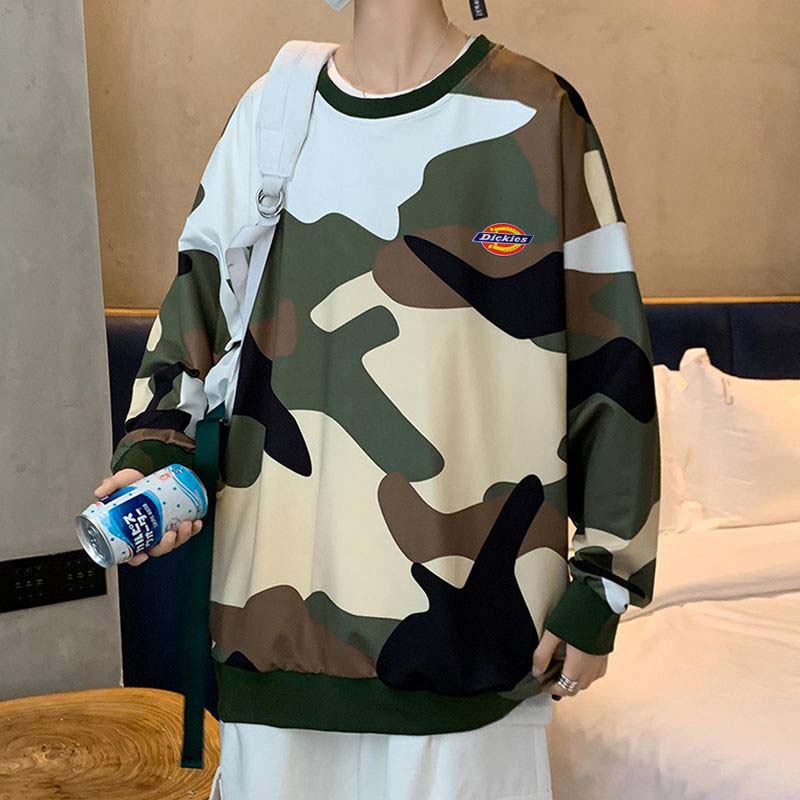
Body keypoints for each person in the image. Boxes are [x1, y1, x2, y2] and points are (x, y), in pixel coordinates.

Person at [94, 1, 661, 798]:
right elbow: (195, 311)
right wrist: (152, 451)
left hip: (471, 653)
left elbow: (611, 363)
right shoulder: (274, 111)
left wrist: (605, 583)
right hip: (275, 640)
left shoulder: (539, 110)